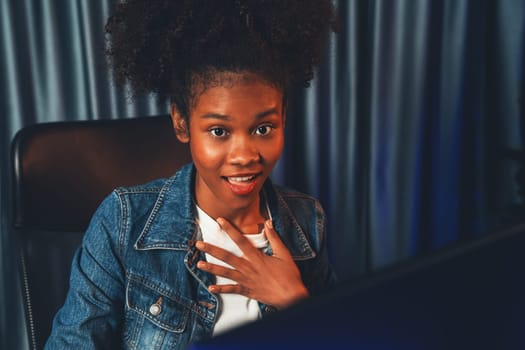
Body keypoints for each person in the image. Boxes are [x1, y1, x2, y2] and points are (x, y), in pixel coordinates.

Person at [45, 0, 338, 348]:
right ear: (181, 123)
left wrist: (296, 301)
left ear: (284, 118)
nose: (245, 156)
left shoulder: (306, 221)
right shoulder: (123, 223)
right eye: (219, 131)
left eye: (263, 128)